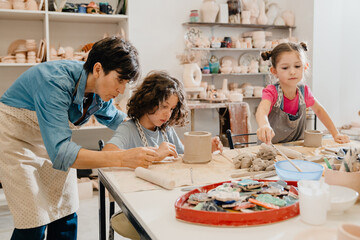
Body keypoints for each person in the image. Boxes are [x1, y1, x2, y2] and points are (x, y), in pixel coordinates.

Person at [0, 37, 163, 240]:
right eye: (119, 80)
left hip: (53, 139)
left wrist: (156, 129)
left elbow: (120, 121)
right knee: (34, 221)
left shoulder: (97, 92)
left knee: (66, 214)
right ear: (97, 69)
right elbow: (61, 153)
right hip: (17, 139)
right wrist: (122, 158)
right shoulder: (56, 83)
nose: (122, 90)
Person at [102, 71, 223, 240]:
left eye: (172, 109)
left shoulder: (166, 130)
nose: (168, 114)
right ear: (149, 100)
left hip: (165, 200)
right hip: (139, 205)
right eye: (164, 106)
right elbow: (106, 154)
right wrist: (155, 154)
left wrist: (206, 148)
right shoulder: (128, 129)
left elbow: (184, 157)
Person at [256, 42, 349, 144]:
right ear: (274, 71)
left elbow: (319, 111)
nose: (292, 72)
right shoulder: (272, 91)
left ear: (305, 67)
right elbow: (262, 110)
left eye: (297, 66)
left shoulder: (303, 91)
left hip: (296, 148)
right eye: (285, 68)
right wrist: (264, 125)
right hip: (270, 148)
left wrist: (335, 134)